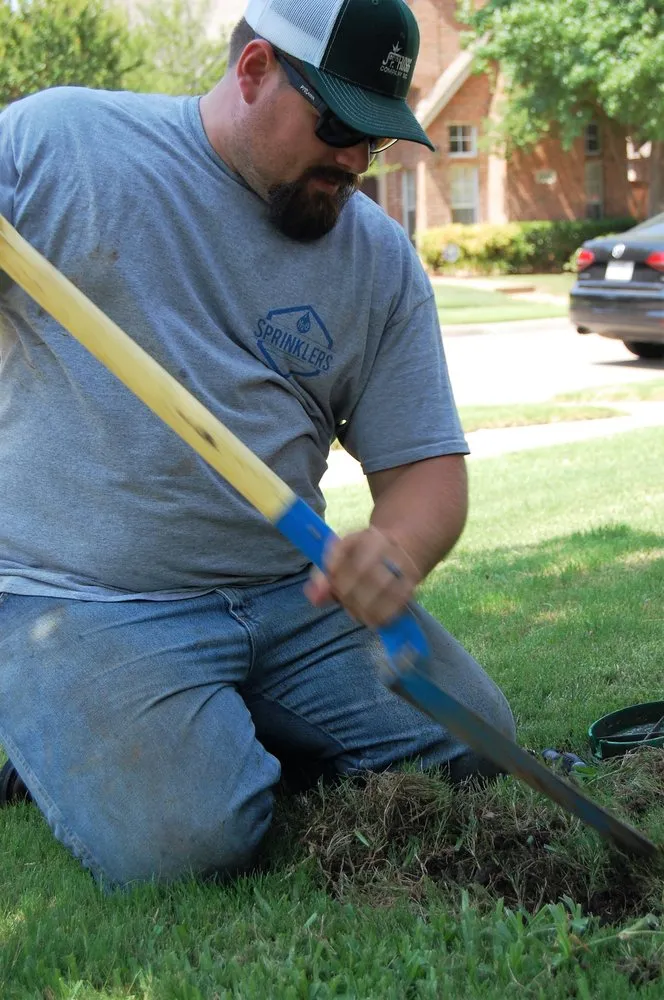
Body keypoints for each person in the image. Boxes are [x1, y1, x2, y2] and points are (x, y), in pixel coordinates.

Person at [0, 0, 515, 888]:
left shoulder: (378, 261)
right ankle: (49, 719)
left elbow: (427, 469)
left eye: (376, 139)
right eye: (338, 125)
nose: (355, 160)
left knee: (478, 742)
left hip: (289, 595)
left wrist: (396, 548)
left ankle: (205, 724)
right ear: (253, 72)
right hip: (81, 598)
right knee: (191, 842)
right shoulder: (60, 145)